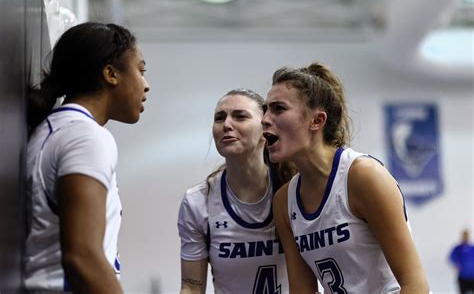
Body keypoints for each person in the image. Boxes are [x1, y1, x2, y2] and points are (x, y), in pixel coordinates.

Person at [261, 62, 430, 293]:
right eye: (265, 110)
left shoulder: (363, 176)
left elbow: (415, 284)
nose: (264, 119)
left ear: (317, 121)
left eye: (278, 109)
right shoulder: (283, 202)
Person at [25, 22, 150, 293]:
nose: (146, 85)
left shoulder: (56, 129)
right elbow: (82, 257)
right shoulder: (85, 137)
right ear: (111, 74)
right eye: (141, 71)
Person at [178, 88, 296, 293]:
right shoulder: (198, 201)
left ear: (265, 131)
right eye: (219, 118)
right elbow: (191, 286)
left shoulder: (294, 191)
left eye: (240, 116)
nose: (226, 125)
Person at [449, 229, 474, 294]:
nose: (466, 237)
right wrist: (456, 263)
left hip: (472, 277)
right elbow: (451, 257)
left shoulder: (472, 248)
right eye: (464, 235)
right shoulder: (458, 248)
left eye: (467, 235)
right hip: (463, 278)